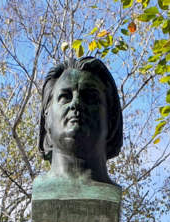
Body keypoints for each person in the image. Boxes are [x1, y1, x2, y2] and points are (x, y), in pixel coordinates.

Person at [37, 57, 123, 186]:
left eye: (90, 97)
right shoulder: (41, 190)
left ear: (111, 119)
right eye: (65, 97)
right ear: (47, 118)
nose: (76, 103)